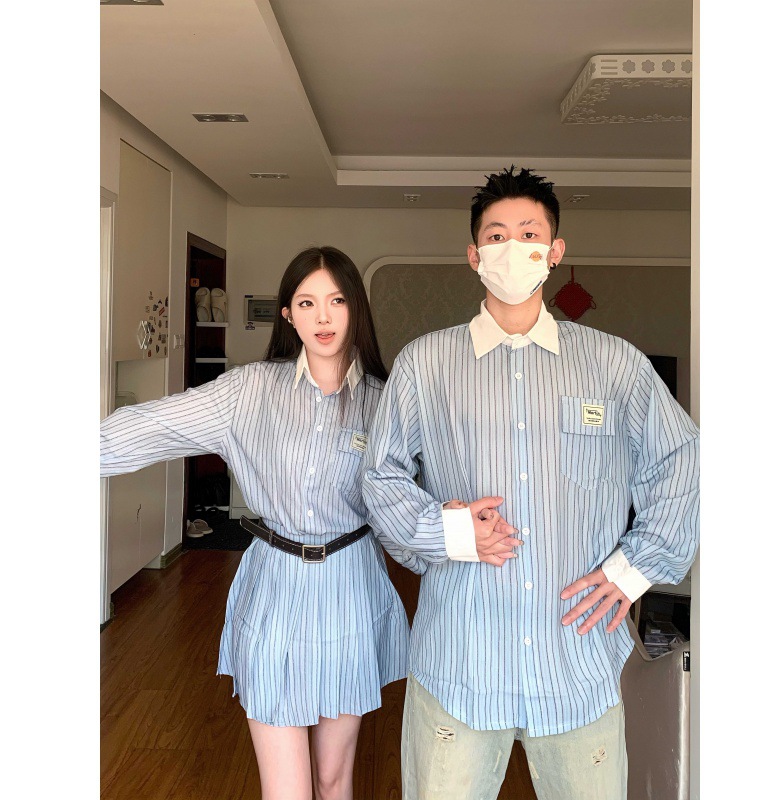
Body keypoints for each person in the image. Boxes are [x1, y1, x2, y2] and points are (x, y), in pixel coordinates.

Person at [362, 167, 699, 800]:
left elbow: (681, 456)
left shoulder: (614, 364)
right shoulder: (425, 365)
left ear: (554, 251)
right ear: (474, 255)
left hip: (575, 663)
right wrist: (449, 531)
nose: (511, 249)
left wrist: (636, 567)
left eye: (528, 233)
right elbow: (381, 477)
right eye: (496, 236)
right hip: (461, 661)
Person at [100, 246, 410, 800]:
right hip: (275, 586)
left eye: (337, 301)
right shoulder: (248, 391)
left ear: (356, 309)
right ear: (287, 314)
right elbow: (152, 426)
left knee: (334, 779)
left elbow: (421, 495)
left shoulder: (386, 403)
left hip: (351, 587)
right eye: (306, 303)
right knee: (286, 789)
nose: (323, 316)